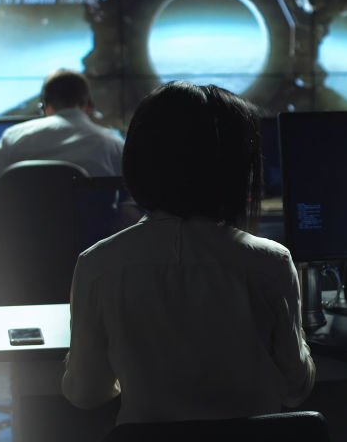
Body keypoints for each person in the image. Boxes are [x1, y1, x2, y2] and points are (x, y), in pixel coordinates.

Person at [62, 82, 315, 422]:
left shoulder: (99, 264)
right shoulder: (271, 262)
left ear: (138, 161)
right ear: (236, 169)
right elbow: (295, 387)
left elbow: (85, 393)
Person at [0, 69, 124, 229]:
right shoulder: (113, 145)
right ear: (88, 105)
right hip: (92, 251)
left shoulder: (13, 138)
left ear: (45, 105)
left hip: (22, 252)